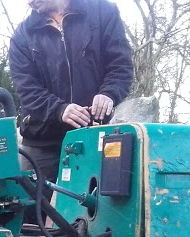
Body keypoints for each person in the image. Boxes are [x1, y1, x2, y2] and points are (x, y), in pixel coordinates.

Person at [9, 0, 134, 191]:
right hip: (42, 138)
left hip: (94, 134)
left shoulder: (103, 12)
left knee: (101, 201)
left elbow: (120, 64)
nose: (30, 2)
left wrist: (109, 93)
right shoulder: (23, 34)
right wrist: (59, 109)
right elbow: (26, 88)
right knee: (31, 202)